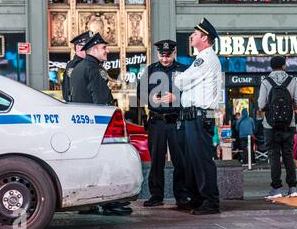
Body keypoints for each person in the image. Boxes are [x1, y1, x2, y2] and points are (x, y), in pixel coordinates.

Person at [70, 32, 132, 216]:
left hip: (81, 124)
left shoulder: (78, 68)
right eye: (104, 48)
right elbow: (102, 100)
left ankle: (88, 203)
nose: (107, 51)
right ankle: (110, 203)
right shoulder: (94, 69)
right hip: (96, 126)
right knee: (107, 163)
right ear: (94, 49)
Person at [174, 18, 222, 215]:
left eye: (195, 33)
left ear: (204, 37)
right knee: (193, 161)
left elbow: (182, 81)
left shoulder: (205, 59)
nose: (191, 36)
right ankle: (198, 199)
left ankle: (210, 201)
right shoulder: (201, 59)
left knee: (201, 161)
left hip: (199, 117)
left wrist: (180, 79)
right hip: (194, 117)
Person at [137, 39, 189, 209]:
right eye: (162, 55)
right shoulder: (151, 70)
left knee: (180, 160)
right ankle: (156, 195)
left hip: (176, 121)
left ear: (174, 53)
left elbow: (192, 93)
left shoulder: (183, 70)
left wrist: (178, 99)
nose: (165, 59)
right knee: (156, 160)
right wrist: (151, 98)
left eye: (168, 55)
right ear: (158, 53)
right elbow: (140, 92)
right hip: (157, 121)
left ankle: (181, 196)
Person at [258, 55, 297, 199]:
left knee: (274, 156)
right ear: (284, 66)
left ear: (271, 67)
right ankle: (292, 188)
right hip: (288, 124)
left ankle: (276, 189)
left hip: (270, 126)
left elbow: (260, 105)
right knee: (288, 155)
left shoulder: (266, 82)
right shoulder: (292, 81)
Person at [62, 31, 91, 102]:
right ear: (78, 48)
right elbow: (70, 90)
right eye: (87, 48)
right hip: (80, 106)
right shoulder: (73, 65)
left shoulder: (90, 63)